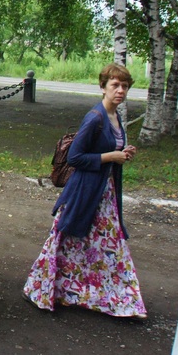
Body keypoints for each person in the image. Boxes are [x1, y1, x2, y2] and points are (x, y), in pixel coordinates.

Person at [23, 63, 146, 318]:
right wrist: (110, 155)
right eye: (115, 85)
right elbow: (76, 157)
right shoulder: (95, 117)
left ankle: (115, 299)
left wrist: (122, 152)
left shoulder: (115, 116)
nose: (120, 90)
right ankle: (44, 288)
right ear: (103, 87)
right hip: (86, 192)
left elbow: (108, 149)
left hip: (106, 194)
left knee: (104, 247)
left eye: (124, 86)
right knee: (67, 239)